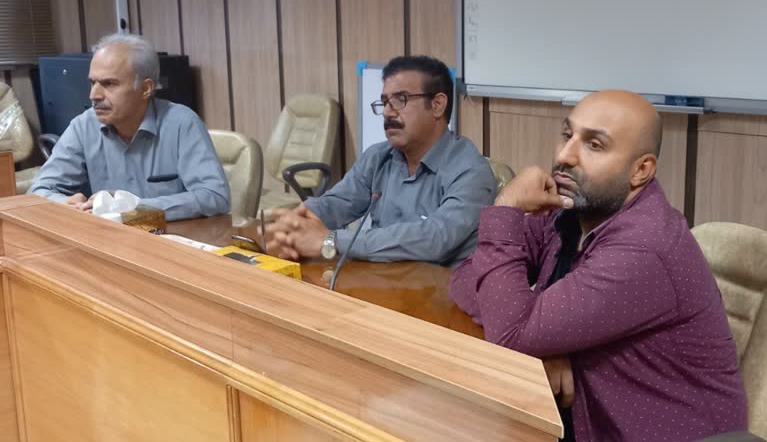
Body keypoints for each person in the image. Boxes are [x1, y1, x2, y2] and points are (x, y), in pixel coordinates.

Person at [449, 91, 747, 442]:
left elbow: (511, 334)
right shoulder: (567, 215)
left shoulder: (645, 247)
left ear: (641, 170)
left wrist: (506, 207)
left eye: (594, 145)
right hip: (581, 427)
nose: (565, 156)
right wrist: (542, 343)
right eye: (567, 134)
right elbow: (467, 277)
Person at [264, 55, 496, 267]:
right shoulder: (378, 157)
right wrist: (298, 222)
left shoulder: (471, 171)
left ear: (437, 105)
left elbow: (435, 239)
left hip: (438, 293)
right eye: (384, 102)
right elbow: (339, 202)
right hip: (379, 281)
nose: (387, 112)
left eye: (400, 100)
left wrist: (331, 240)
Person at [29, 33, 230, 222]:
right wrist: (64, 204)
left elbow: (215, 196)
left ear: (145, 88)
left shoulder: (182, 124)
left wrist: (133, 209)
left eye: (109, 84)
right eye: (92, 83)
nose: (94, 95)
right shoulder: (84, 127)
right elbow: (38, 191)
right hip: (110, 240)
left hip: (171, 239)